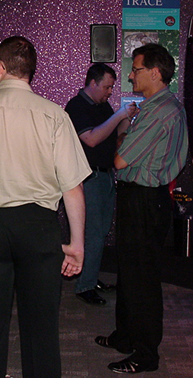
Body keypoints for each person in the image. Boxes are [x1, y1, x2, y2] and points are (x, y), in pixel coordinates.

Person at [0, 36, 91, 378]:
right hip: (38, 227)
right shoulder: (54, 115)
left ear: (0, 67)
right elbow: (73, 188)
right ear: (29, 71)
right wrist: (77, 244)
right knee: (41, 327)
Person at [95, 43, 188, 374]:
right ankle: (126, 336)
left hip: (144, 200)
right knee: (130, 271)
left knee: (142, 278)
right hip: (143, 198)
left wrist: (121, 142)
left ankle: (146, 354)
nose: (131, 75)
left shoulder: (159, 112)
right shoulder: (161, 107)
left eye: (136, 69)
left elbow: (120, 160)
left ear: (155, 73)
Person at [65, 63, 137, 305]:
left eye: (112, 87)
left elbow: (114, 135)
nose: (110, 92)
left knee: (100, 231)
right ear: (93, 83)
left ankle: (90, 278)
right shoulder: (76, 106)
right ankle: (85, 285)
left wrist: (127, 118)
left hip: (105, 175)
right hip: (89, 178)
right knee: (94, 233)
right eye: (107, 87)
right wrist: (119, 115)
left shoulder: (102, 106)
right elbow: (92, 139)